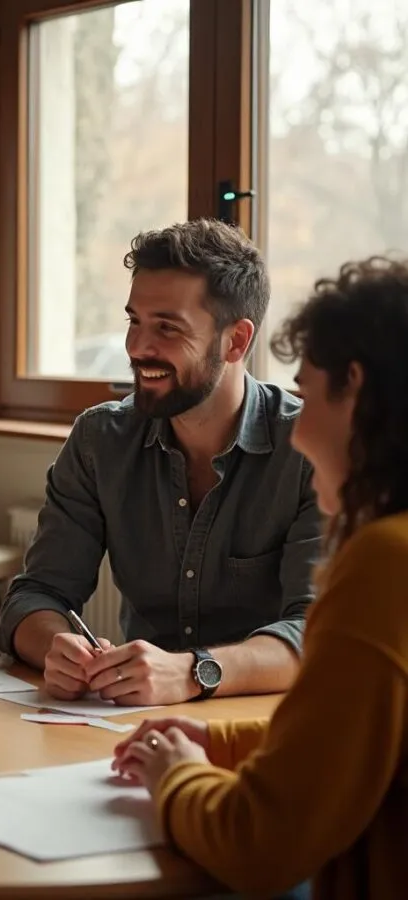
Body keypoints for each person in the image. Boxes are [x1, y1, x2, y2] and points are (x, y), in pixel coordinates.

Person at [112, 256, 408, 899]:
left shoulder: (385, 563)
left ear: (353, 387)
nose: (297, 431)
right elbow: (345, 738)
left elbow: (259, 843)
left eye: (307, 388)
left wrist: (175, 776)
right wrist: (218, 742)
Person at [0, 219, 321, 705]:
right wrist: (56, 647)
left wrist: (194, 672)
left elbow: (318, 633)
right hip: (132, 724)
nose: (137, 348)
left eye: (167, 327)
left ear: (235, 342)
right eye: (134, 322)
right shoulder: (99, 439)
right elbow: (36, 595)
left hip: (268, 724)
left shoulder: (310, 449)